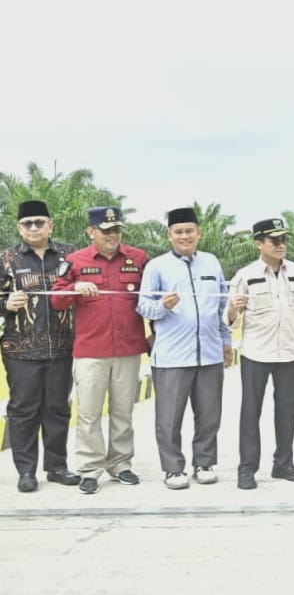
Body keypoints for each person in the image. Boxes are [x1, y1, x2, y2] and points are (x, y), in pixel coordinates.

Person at [50, 207, 149, 495]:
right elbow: (56, 299)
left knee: (123, 412)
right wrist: (75, 287)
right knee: (89, 414)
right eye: (106, 231)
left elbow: (152, 297)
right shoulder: (75, 261)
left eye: (117, 229)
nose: (113, 235)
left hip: (128, 348)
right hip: (91, 351)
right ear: (91, 232)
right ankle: (90, 468)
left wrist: (154, 332)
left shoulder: (138, 258)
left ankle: (120, 464)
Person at [136, 207, 233, 490]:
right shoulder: (157, 267)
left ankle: (204, 463)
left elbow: (221, 306)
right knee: (169, 418)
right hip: (172, 357)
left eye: (190, 231)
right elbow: (143, 306)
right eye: (178, 232)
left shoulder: (211, 263)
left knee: (209, 415)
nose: (185, 236)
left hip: (210, 354)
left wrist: (226, 342)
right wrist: (162, 307)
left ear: (198, 233)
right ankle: (173, 468)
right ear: (169, 235)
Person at [226, 217, 294, 490]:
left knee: (287, 412)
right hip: (256, 353)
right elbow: (230, 321)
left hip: (289, 352)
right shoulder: (246, 275)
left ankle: (283, 463)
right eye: (275, 240)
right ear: (259, 243)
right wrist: (233, 309)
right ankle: (247, 468)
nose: (281, 245)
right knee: (250, 412)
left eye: (284, 239)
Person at [0, 200, 80, 492]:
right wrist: (5, 304)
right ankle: (26, 471)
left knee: (58, 408)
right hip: (20, 349)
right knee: (23, 410)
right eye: (27, 223)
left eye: (39, 222)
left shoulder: (70, 256)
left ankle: (57, 467)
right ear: (19, 228)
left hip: (63, 347)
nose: (34, 228)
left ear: (50, 225)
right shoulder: (6, 259)